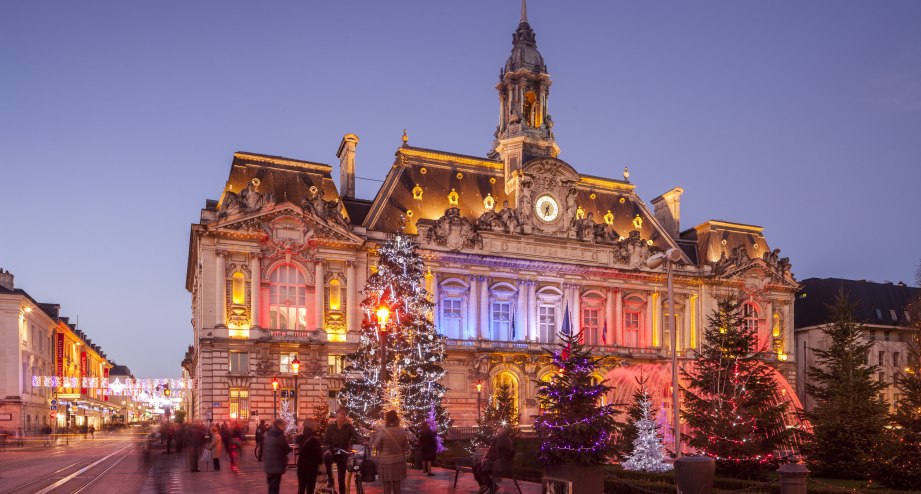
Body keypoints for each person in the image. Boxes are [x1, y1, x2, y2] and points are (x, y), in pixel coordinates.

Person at [323, 408, 362, 493]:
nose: (340, 419)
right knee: (326, 457)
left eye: (343, 416)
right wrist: (328, 448)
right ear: (336, 417)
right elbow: (326, 440)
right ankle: (330, 479)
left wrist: (364, 441)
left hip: (343, 453)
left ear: (345, 417)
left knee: (341, 478)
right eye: (339, 416)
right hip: (333, 451)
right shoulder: (331, 427)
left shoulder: (349, 427)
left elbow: (357, 436)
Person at [372, 410, 409, 494]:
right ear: (396, 419)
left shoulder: (382, 432)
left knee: (387, 487)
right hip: (398, 462)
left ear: (387, 420)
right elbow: (406, 447)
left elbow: (376, 445)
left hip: (386, 462)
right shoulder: (402, 432)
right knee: (397, 486)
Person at [472, 426, 514, 494]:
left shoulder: (505, 440)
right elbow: (494, 451)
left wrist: (494, 440)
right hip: (496, 461)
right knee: (475, 467)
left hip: (501, 464)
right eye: (496, 432)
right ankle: (483, 486)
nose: (496, 433)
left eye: (497, 432)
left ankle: (492, 486)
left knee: (480, 469)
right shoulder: (499, 439)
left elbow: (497, 452)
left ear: (502, 433)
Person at [264, 418, 292, 494]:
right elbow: (286, 448)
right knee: (275, 488)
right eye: (284, 425)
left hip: (269, 464)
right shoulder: (279, 434)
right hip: (276, 465)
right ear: (279, 425)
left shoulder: (269, 433)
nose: (285, 427)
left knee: (271, 487)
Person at [296, 419, 323, 494]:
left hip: (301, 465)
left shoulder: (300, 438)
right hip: (311, 467)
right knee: (310, 489)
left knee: (301, 488)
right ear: (313, 426)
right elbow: (319, 455)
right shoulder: (315, 439)